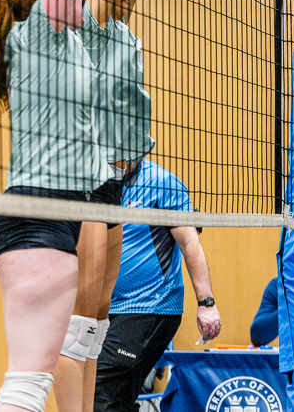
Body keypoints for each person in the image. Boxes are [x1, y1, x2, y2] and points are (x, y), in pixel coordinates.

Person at [0, 0, 108, 412]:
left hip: (37, 216)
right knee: (29, 384)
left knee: (28, 379)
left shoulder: (43, 37)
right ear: (55, 0)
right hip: (38, 220)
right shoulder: (45, 29)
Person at [54, 0, 155, 412]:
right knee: (76, 329)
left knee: (95, 327)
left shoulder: (123, 32)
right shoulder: (89, 25)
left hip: (113, 186)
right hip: (81, 186)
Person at [94, 158, 222, 412]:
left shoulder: (162, 183)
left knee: (102, 388)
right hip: (106, 308)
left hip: (150, 304)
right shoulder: (96, 179)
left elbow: (190, 244)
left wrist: (206, 303)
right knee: (110, 397)